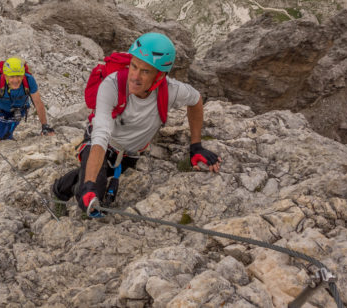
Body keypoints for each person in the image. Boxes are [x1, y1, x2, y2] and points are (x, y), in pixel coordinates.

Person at [51, 32, 221, 215]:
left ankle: (83, 180)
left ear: (160, 75)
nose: (135, 76)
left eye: (145, 71)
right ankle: (59, 191)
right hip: (104, 144)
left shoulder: (172, 91)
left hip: (131, 154)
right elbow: (100, 135)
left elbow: (196, 101)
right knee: (94, 193)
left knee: (103, 177)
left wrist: (196, 146)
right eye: (134, 66)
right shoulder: (112, 86)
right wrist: (90, 183)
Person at [0, 57, 55, 146]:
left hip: (19, 110)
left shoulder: (29, 80)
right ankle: (1, 136)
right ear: (5, 75)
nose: (16, 80)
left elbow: (38, 103)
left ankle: (8, 137)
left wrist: (45, 126)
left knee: (8, 133)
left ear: (23, 75)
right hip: (1, 111)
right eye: (12, 77)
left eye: (19, 76)